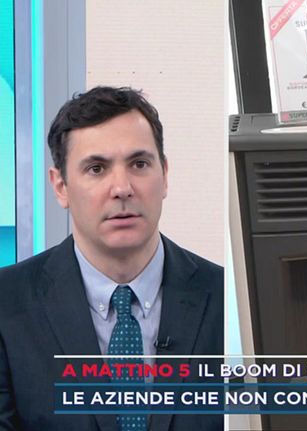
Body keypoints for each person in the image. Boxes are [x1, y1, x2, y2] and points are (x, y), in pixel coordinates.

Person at [0, 87, 223, 430]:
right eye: (96, 168)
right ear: (60, 186)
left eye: (139, 164)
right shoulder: (7, 302)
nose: (122, 188)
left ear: (164, 174)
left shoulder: (224, 297)